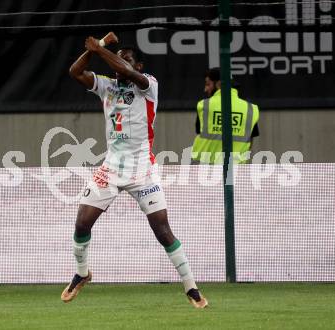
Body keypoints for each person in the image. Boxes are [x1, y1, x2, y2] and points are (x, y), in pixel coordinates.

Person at [62, 32, 208, 309]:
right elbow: (75, 71)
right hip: (112, 168)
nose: (120, 65)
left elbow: (124, 69)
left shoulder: (148, 85)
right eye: (118, 60)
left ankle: (191, 287)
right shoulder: (107, 86)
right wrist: (96, 49)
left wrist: (102, 50)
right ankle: (82, 273)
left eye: (126, 60)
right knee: (82, 223)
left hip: (143, 170)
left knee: (162, 230)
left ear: (138, 66)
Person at [191, 68, 260, 164]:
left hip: (203, 170)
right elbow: (250, 141)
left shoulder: (205, 105)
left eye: (208, 84)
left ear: (219, 84)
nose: (205, 89)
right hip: (235, 171)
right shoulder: (250, 109)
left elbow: (199, 132)